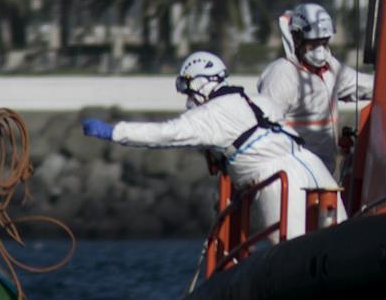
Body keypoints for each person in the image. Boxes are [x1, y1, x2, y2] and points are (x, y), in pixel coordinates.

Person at [82, 51, 340, 240]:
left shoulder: (210, 116)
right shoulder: (257, 100)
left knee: (292, 251)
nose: (187, 97)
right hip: (314, 167)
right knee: (338, 236)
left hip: (280, 183)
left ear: (199, 83)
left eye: (187, 88)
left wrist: (114, 131)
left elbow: (164, 134)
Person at [256, 1, 374, 171]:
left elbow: (361, 85)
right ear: (297, 39)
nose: (319, 51)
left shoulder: (330, 68)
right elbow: (266, 128)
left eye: (324, 42)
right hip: (294, 173)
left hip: (324, 171)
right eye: (313, 43)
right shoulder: (281, 75)